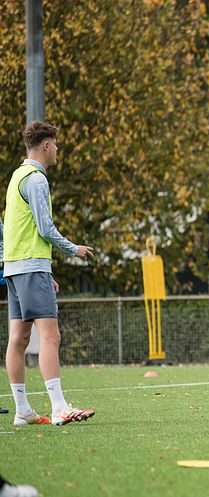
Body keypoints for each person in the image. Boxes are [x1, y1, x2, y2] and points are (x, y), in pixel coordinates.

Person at [2, 121, 96, 427]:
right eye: (55, 144)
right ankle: (58, 408)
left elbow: (18, 229)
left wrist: (43, 270)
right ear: (46, 145)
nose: (57, 150)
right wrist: (73, 249)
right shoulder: (37, 179)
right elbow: (45, 228)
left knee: (18, 338)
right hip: (30, 267)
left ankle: (22, 410)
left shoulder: (17, 175)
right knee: (50, 337)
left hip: (15, 269)